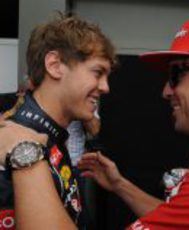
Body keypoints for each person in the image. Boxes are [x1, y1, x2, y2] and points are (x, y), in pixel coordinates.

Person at [77, 8, 189, 229]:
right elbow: (182, 220)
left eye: (177, 74)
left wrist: (29, 158)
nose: (166, 91)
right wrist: (120, 185)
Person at [0, 13, 116, 230]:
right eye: (97, 72)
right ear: (54, 65)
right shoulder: (11, 144)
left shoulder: (52, 136)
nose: (105, 87)